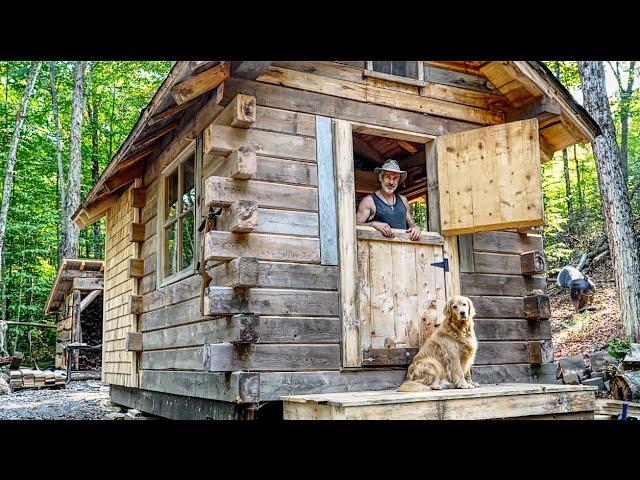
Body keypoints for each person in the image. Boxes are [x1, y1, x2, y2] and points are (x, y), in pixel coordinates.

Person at [356, 159, 422, 241]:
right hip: (379, 250)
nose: (391, 182)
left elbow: (412, 225)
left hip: (403, 251)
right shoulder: (369, 201)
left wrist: (416, 228)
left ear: (399, 180)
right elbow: (355, 225)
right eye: (388, 177)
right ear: (381, 177)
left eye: (395, 178)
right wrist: (373, 224)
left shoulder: (403, 200)